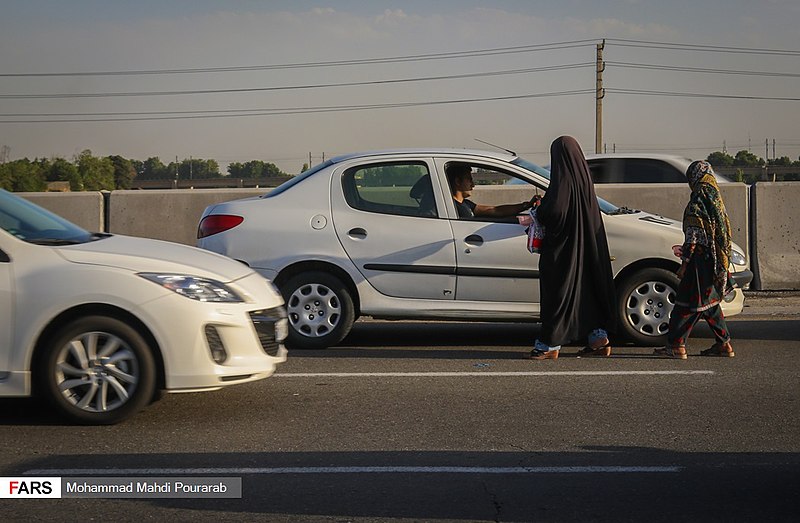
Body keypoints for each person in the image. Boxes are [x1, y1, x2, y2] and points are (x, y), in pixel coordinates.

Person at [528, 136, 617, 360]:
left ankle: (549, 345)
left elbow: (556, 212)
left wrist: (539, 210)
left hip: (564, 254)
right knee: (587, 294)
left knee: (558, 295)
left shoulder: (563, 182)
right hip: (586, 252)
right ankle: (598, 340)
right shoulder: (583, 181)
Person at [655, 160, 736, 359]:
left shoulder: (698, 200)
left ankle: (676, 346)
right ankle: (724, 344)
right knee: (710, 304)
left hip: (700, 263)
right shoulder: (715, 198)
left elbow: (694, 236)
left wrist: (685, 263)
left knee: (686, 304)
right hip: (716, 261)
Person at [446, 163, 533, 218]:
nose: (473, 185)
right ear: (458, 181)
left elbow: (494, 210)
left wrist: (526, 205)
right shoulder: (451, 206)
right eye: (469, 180)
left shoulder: (466, 204)